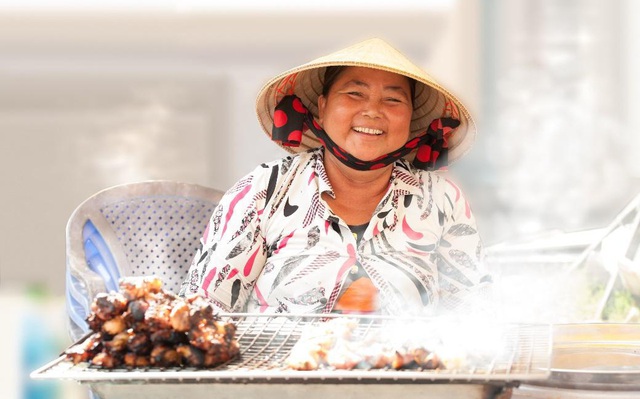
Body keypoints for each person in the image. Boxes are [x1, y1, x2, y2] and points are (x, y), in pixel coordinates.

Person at [179, 38, 492, 316]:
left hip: (409, 377)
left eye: (393, 99)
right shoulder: (265, 190)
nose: (372, 111)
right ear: (322, 106)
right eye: (355, 93)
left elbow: (473, 316)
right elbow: (205, 311)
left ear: (411, 119)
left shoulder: (441, 199)